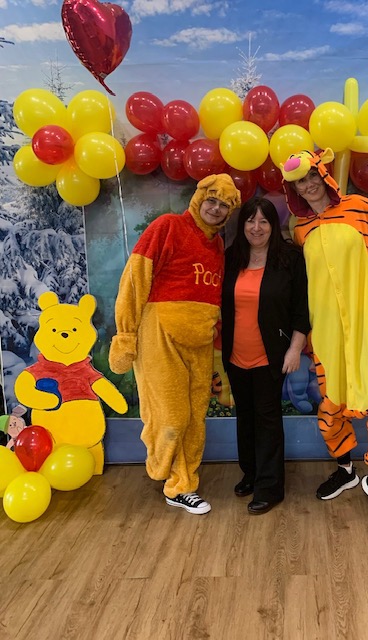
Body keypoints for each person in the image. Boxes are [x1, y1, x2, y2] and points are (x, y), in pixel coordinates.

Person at [281, 149, 368, 522]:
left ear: (324, 175)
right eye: (300, 182)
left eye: (312, 176)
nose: (308, 185)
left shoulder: (361, 208)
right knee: (331, 405)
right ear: (294, 189)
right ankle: (346, 470)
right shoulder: (301, 229)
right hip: (326, 330)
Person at [109, 174, 241, 515]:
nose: (216, 208)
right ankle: (174, 479)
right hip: (160, 336)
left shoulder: (217, 246)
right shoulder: (167, 226)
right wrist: (125, 335)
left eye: (224, 205)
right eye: (211, 200)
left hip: (199, 343)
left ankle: (184, 483)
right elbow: (135, 279)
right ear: (198, 199)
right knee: (171, 417)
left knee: (195, 419)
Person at [221, 197, 310, 515]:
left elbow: (302, 309)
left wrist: (295, 349)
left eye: (263, 221)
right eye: (250, 220)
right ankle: (252, 473)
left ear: (273, 226)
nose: (256, 228)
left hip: (270, 356)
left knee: (268, 420)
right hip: (235, 355)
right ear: (242, 225)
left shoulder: (289, 259)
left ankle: (270, 487)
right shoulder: (231, 258)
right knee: (245, 418)